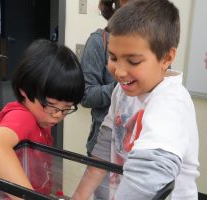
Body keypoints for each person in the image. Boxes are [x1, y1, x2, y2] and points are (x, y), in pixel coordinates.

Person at [73, 0, 200, 199]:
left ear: (166, 58)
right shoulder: (121, 92)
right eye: (113, 58)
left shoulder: (171, 102)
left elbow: (148, 177)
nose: (120, 72)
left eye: (133, 61)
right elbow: (103, 151)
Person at [0, 39, 85, 200]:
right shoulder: (23, 117)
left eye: (67, 108)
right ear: (25, 91)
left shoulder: (42, 119)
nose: (58, 115)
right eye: (51, 105)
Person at [80, 0, 128, 199]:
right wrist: (121, 87)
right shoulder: (98, 41)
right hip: (104, 145)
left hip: (135, 154)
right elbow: (85, 95)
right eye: (113, 58)